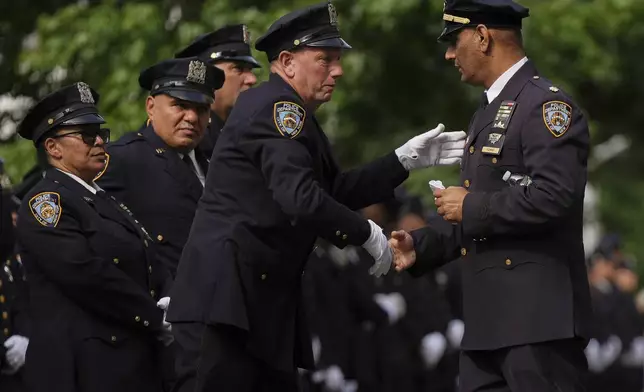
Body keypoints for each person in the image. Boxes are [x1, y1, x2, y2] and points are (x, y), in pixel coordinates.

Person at [166, 2, 467, 391]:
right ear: (288, 62)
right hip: (227, 304)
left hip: (253, 303)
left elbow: (332, 192)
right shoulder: (280, 108)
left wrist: (402, 160)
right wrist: (368, 234)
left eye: (338, 60)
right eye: (325, 59)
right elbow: (302, 198)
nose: (337, 71)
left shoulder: (293, 113)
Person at [390, 0, 592, 391]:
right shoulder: (487, 113)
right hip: (486, 327)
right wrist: (422, 245)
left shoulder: (545, 106)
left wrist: (470, 205)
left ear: (482, 37)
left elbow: (554, 197)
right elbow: (479, 217)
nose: (449, 54)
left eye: (454, 40)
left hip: (537, 325)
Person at [15, 82, 173, 392]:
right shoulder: (46, 202)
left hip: (127, 358)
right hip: (85, 367)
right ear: (53, 148)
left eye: (102, 133)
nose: (100, 141)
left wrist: (170, 299)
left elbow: (148, 255)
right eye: (87, 135)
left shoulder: (101, 198)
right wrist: (154, 317)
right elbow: (86, 274)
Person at [95, 57, 224, 392]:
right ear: (151, 107)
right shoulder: (121, 159)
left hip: (221, 328)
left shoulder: (215, 165)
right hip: (165, 337)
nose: (192, 118)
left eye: (202, 109)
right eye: (179, 105)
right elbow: (98, 242)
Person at [175, 24, 261, 160]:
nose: (252, 79)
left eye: (250, 70)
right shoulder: (187, 134)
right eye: (238, 69)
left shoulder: (249, 130)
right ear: (207, 76)